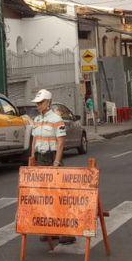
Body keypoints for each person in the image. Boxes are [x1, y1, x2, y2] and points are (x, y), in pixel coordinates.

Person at [27, 89, 75, 245]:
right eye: (37, 103)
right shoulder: (37, 120)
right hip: (41, 159)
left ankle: (66, 233)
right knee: (45, 197)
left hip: (53, 158)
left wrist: (56, 163)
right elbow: (34, 140)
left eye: (40, 103)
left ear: (48, 102)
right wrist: (32, 158)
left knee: (59, 197)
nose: (38, 105)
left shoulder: (56, 119)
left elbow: (61, 142)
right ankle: (50, 231)